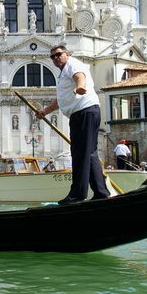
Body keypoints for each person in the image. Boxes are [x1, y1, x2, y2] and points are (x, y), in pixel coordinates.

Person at [37, 44, 110, 204]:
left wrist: (80, 87)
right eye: (52, 57)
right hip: (83, 113)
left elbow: (80, 77)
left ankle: (78, 194)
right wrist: (45, 111)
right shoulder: (63, 74)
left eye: (58, 54)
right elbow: (61, 100)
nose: (55, 58)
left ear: (66, 54)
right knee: (89, 153)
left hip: (84, 111)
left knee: (80, 154)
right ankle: (101, 192)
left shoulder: (73, 64)